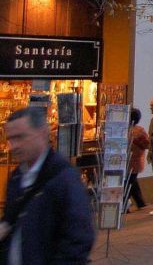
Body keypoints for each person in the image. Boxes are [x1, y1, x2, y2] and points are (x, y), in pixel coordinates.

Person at [0, 107, 94, 263]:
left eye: (21, 137)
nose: (14, 146)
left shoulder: (64, 178)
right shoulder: (17, 176)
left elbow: (79, 237)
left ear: (43, 133)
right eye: (10, 139)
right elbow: (11, 220)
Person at [127, 107, 150, 212]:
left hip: (132, 161)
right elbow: (146, 144)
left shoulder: (133, 131)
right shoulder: (139, 131)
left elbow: (146, 144)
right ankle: (141, 202)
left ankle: (124, 204)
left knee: (128, 182)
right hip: (135, 161)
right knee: (132, 181)